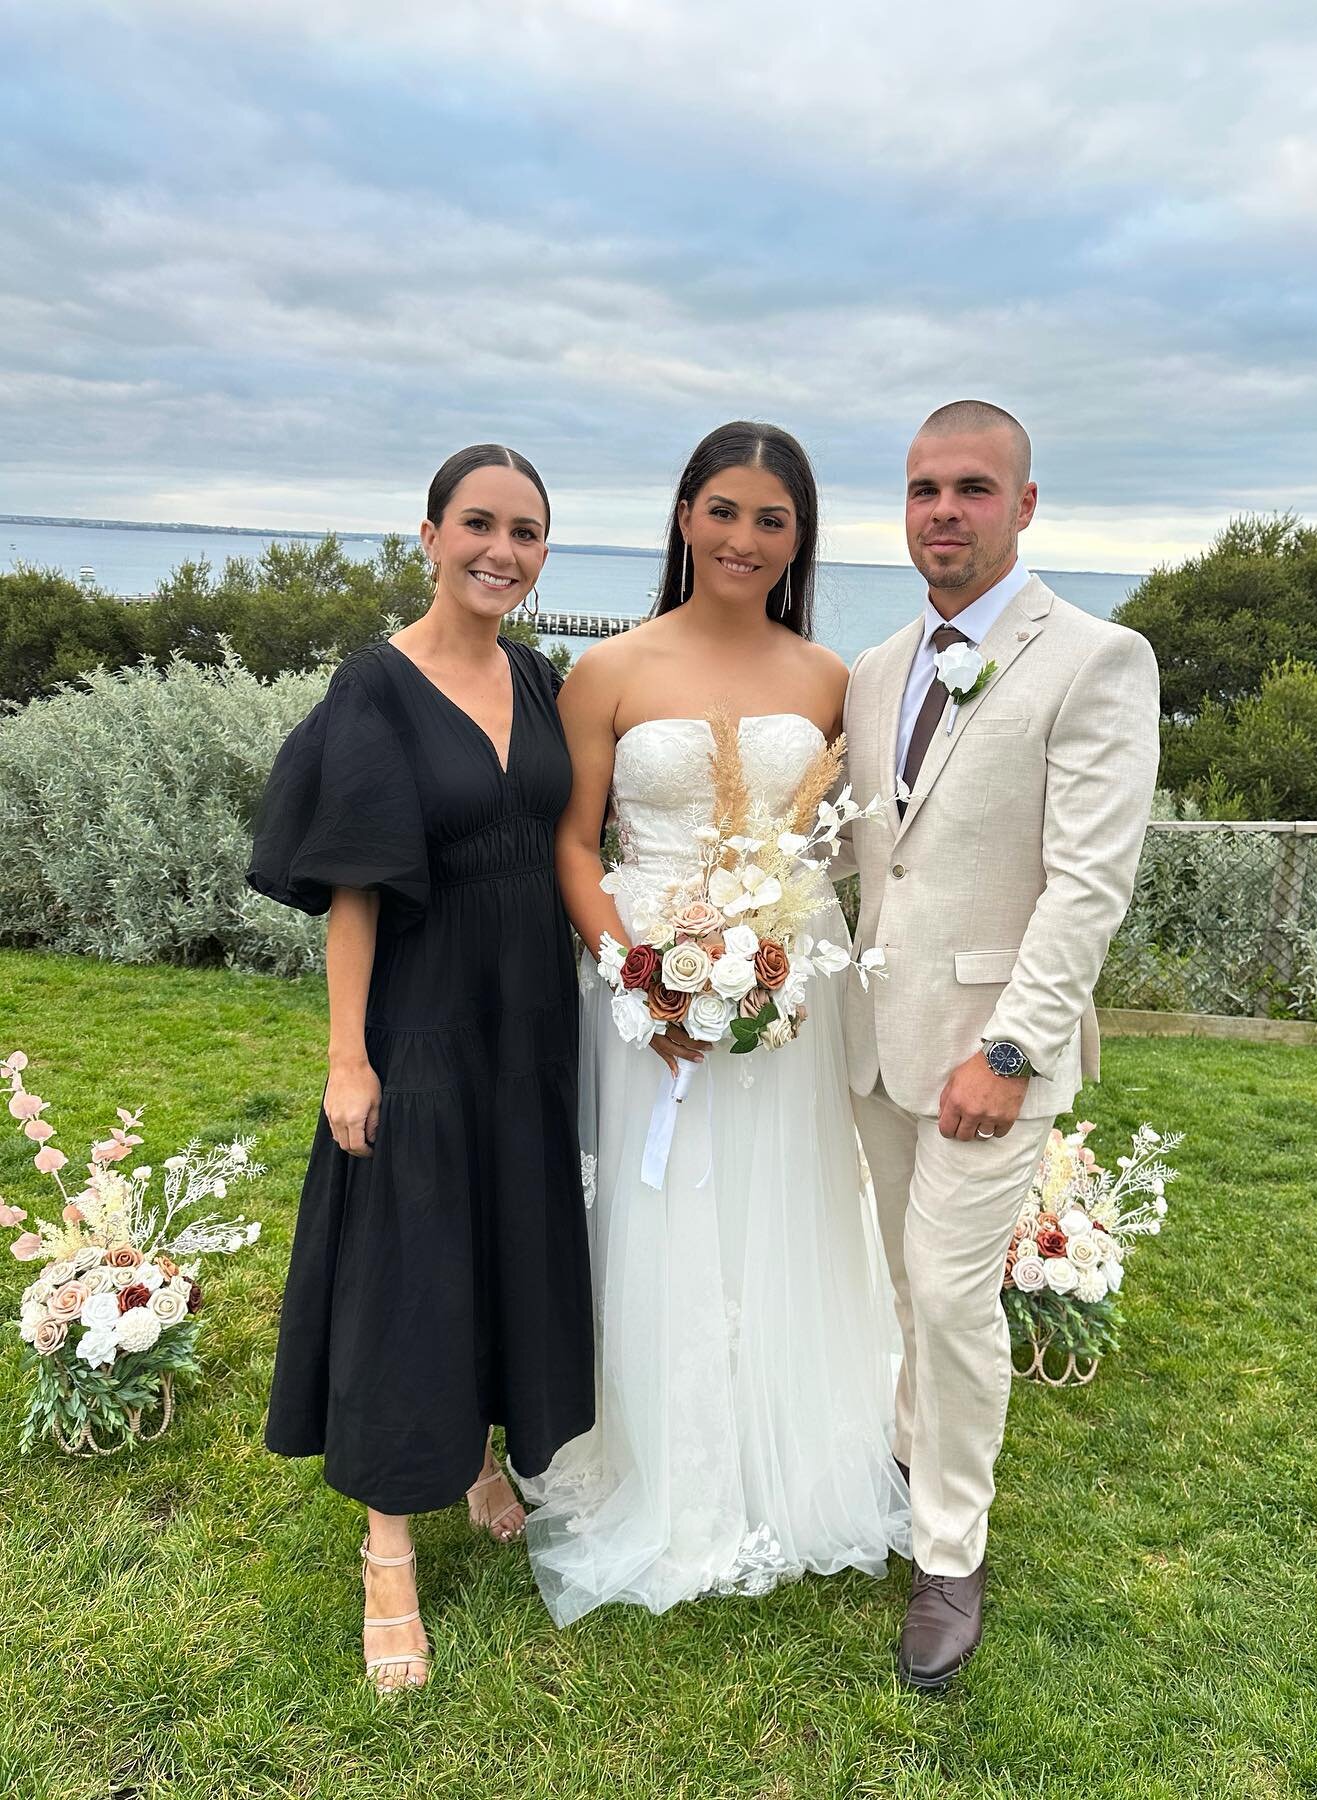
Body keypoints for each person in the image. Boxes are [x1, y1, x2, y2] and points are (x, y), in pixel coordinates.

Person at [518, 420, 911, 1624]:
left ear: (799, 539)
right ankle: (658, 1456)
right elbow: (573, 843)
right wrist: (636, 972)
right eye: (725, 510)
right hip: (643, 988)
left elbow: (845, 844)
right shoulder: (612, 669)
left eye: (772, 519)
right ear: (686, 515)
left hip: (791, 978)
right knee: (658, 1206)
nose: (745, 538)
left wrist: (777, 950)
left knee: (784, 1200)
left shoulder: (828, 677)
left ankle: (786, 1453)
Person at [246, 444, 594, 1691]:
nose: (504, 550)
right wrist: (349, 1057)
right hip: (426, 1019)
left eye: (529, 532)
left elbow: (569, 837)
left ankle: (482, 1454)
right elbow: (352, 890)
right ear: (431, 534)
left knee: (509, 1237)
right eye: (481, 525)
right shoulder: (376, 688)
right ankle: (388, 1549)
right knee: (414, 1265)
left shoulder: (543, 678)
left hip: (530, 1020)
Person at [841, 400, 1160, 1688]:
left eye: (973, 489)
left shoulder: (1095, 657)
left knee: (958, 1298)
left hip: (992, 1058)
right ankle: (913, 1461)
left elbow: (1089, 883)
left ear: (1025, 505)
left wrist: (1015, 1049)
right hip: (873, 1045)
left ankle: (949, 1553)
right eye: (925, 491)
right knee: (899, 1288)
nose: (945, 514)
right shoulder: (871, 671)